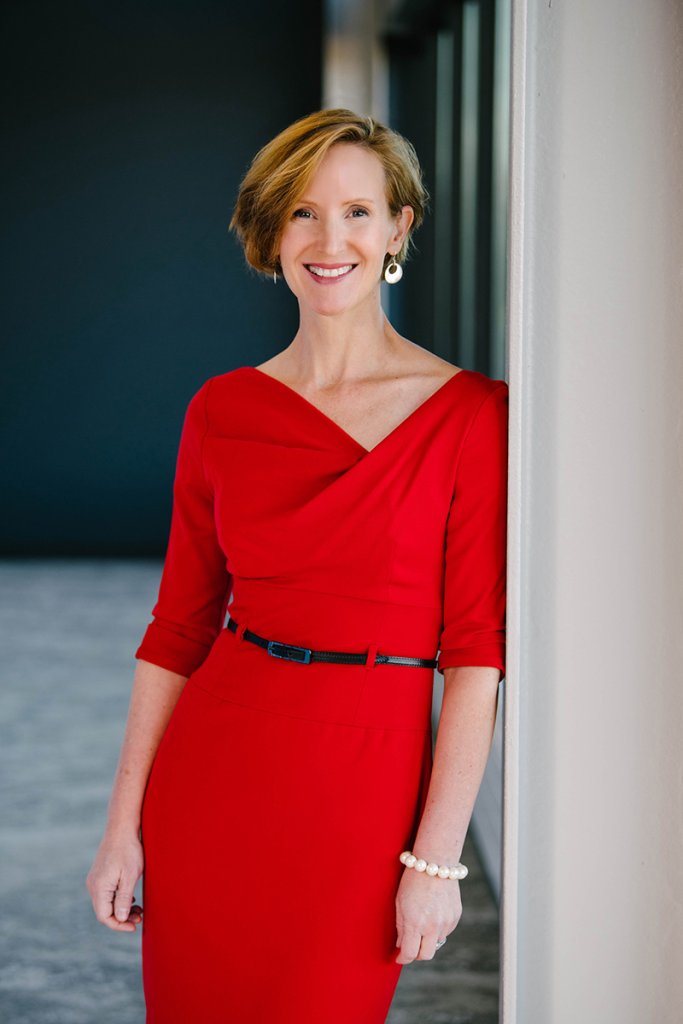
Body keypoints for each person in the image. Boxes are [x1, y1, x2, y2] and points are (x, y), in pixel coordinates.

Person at [85, 108, 508, 1024]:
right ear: (271, 231)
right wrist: (123, 827)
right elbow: (178, 627)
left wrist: (435, 862)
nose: (330, 240)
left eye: (358, 212)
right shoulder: (223, 410)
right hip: (215, 772)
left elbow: (475, 653)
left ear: (399, 228)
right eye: (304, 213)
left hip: (367, 788)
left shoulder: (472, 417)